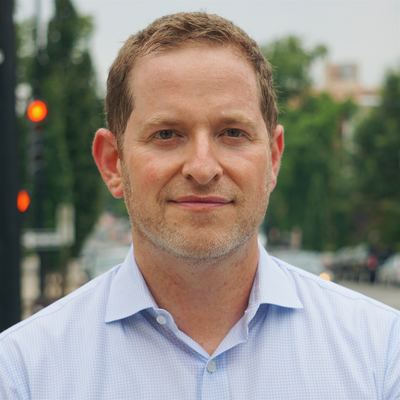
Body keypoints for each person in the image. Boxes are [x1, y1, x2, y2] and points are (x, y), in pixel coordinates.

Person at [0, 12, 399, 399]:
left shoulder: (382, 355)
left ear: (274, 158)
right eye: (167, 134)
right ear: (112, 163)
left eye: (232, 133)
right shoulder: (23, 374)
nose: (203, 168)